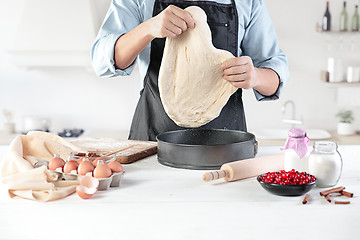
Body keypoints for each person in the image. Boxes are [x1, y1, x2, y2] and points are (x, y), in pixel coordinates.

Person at [91, 0, 289, 141]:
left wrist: (255, 76)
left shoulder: (248, 3)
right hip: (153, 142)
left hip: (224, 146)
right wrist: (148, 28)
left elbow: (274, 75)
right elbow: (101, 61)